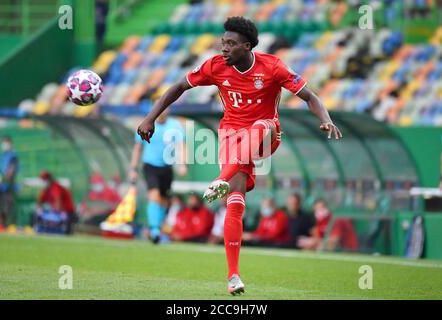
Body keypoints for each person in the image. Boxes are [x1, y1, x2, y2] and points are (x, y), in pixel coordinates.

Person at [137, 16, 342, 295]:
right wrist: (150, 117)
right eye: (223, 43)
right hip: (231, 138)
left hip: (266, 135)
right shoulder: (215, 66)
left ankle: (220, 179)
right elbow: (177, 88)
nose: (224, 49)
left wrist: (326, 118)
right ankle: (233, 276)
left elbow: (310, 97)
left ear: (247, 46)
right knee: (235, 203)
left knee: (260, 125)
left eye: (230, 44)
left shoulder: (273, 67)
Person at [130, 108, 188, 244]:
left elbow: (181, 146)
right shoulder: (145, 124)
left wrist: (183, 164)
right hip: (150, 165)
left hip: (167, 167)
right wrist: (133, 168)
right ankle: (154, 230)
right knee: (154, 195)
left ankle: (158, 228)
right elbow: (138, 148)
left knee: (163, 200)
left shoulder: (175, 126)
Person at [0, 136, 19, 231]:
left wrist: (4, 179)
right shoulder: (2, 156)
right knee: (0, 206)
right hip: (1, 185)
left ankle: (9, 225)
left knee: (7, 206)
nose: (4, 144)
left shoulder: (13, 156)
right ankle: (1, 225)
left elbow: (11, 171)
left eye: (5, 142)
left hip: (9, 185)